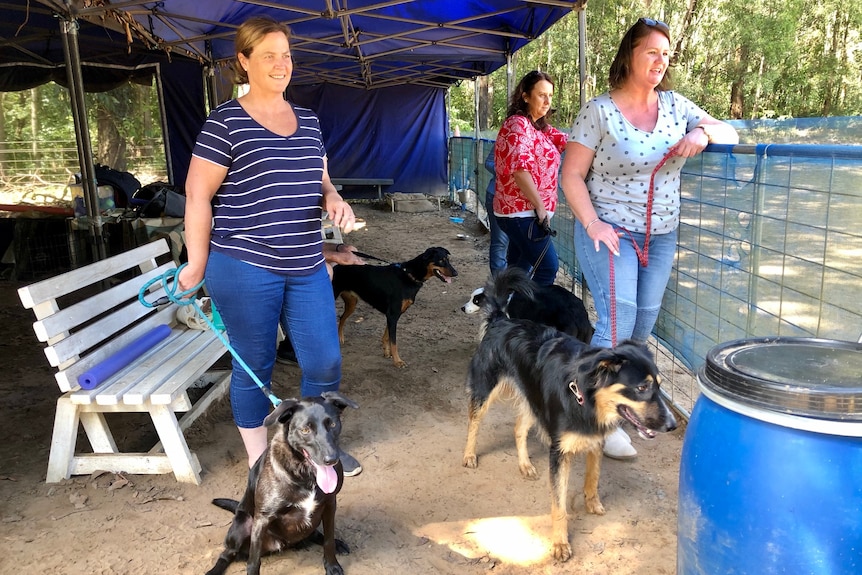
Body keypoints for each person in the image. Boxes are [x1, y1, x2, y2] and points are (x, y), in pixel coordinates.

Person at [177, 16, 362, 475]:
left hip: (304, 262)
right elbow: (198, 196)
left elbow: (320, 181)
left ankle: (319, 448)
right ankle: (264, 464)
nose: (281, 65)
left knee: (324, 359)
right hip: (243, 263)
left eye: (286, 55)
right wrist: (197, 262)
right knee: (255, 365)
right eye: (268, 56)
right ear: (243, 61)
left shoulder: (311, 122)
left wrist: (334, 199)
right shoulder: (224, 122)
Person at [560, 18, 738, 459]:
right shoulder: (598, 110)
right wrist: (593, 223)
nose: (661, 61)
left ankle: (622, 406)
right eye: (652, 52)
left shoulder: (677, 106)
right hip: (610, 229)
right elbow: (571, 175)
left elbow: (730, 132)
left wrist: (702, 131)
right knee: (617, 321)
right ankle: (597, 417)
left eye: (666, 54)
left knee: (641, 327)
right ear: (630, 55)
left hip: (661, 234)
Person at [493, 70, 568, 286]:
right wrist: (540, 207)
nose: (547, 101)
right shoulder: (518, 125)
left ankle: (506, 313)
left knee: (517, 273)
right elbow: (520, 170)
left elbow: (569, 142)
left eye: (550, 96)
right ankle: (531, 316)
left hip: (524, 214)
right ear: (525, 96)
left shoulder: (540, 128)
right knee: (548, 267)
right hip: (522, 213)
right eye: (541, 95)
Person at [276, 242, 365, 365]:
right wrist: (334, 255)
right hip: (269, 271)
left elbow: (306, 243)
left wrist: (339, 248)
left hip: (290, 264)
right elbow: (286, 252)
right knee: (325, 270)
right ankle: (292, 346)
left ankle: (299, 343)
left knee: (332, 267)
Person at [483, 147, 508, 273]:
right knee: (500, 241)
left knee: (522, 246)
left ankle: (519, 285)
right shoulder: (504, 138)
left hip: (525, 202)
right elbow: (488, 162)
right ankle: (501, 286)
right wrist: (507, 172)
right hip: (498, 195)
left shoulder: (541, 138)